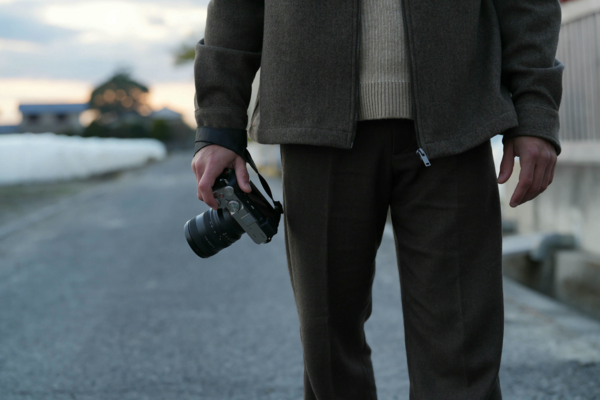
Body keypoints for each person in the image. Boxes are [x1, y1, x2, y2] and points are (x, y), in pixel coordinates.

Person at [191, 0, 563, 398]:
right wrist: (218, 124)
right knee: (327, 341)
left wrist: (536, 110)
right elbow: (236, 7)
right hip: (315, 124)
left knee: (462, 343)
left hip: (457, 120)